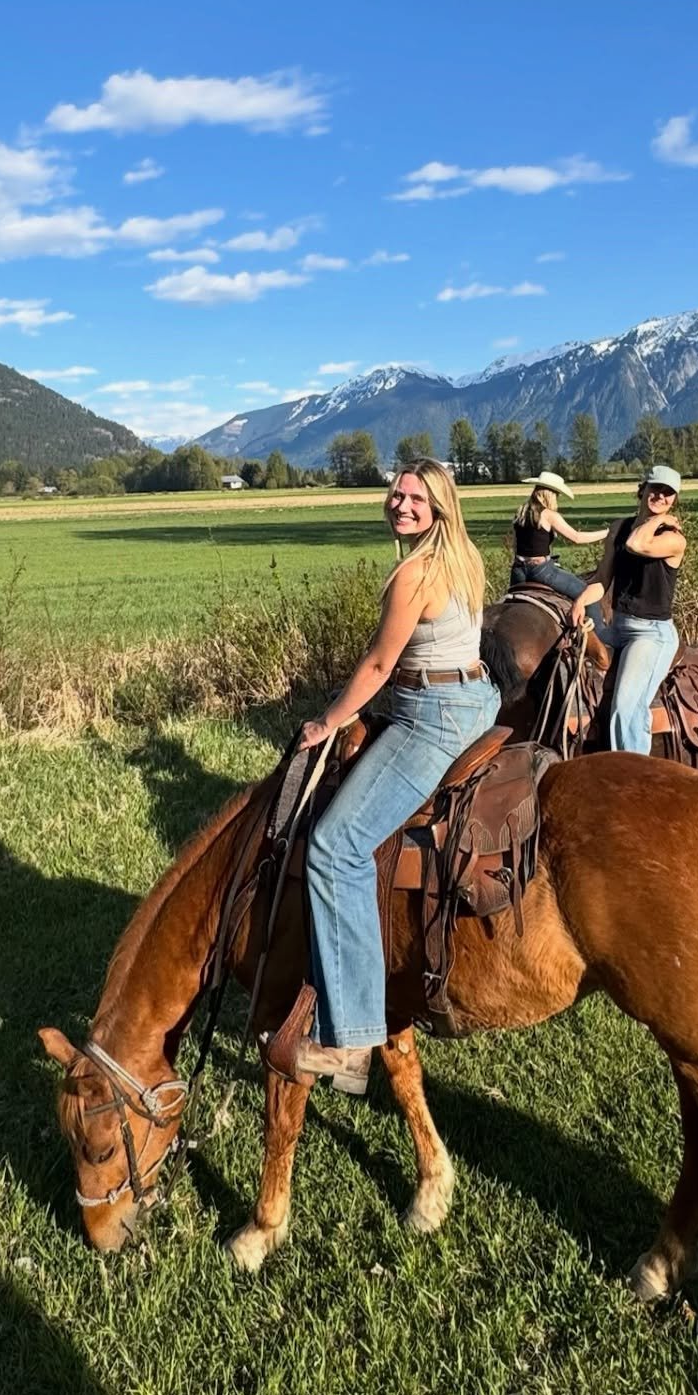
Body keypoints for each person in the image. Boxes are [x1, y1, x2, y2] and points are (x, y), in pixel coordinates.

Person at [275, 458, 501, 1095]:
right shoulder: (463, 557)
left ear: (439, 508)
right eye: (397, 494)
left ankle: (349, 1039)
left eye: (416, 498)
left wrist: (327, 720)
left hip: (433, 717)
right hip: (474, 696)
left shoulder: (413, 573)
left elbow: (378, 664)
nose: (401, 505)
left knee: (334, 846)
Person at [568, 465, 687, 754]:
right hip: (617, 628)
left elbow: (637, 544)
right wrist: (581, 602)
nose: (660, 496)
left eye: (668, 494)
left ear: (674, 501)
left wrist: (661, 519)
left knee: (626, 706)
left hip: (651, 634)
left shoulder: (673, 539)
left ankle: (634, 771)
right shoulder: (619, 527)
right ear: (643, 488)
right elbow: (602, 580)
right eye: (655, 488)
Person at [508, 470, 609, 601]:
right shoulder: (549, 515)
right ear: (550, 495)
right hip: (540, 570)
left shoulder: (521, 512)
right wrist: (607, 533)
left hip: (518, 571)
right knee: (586, 594)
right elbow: (577, 538)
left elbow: (514, 544)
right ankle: (597, 622)